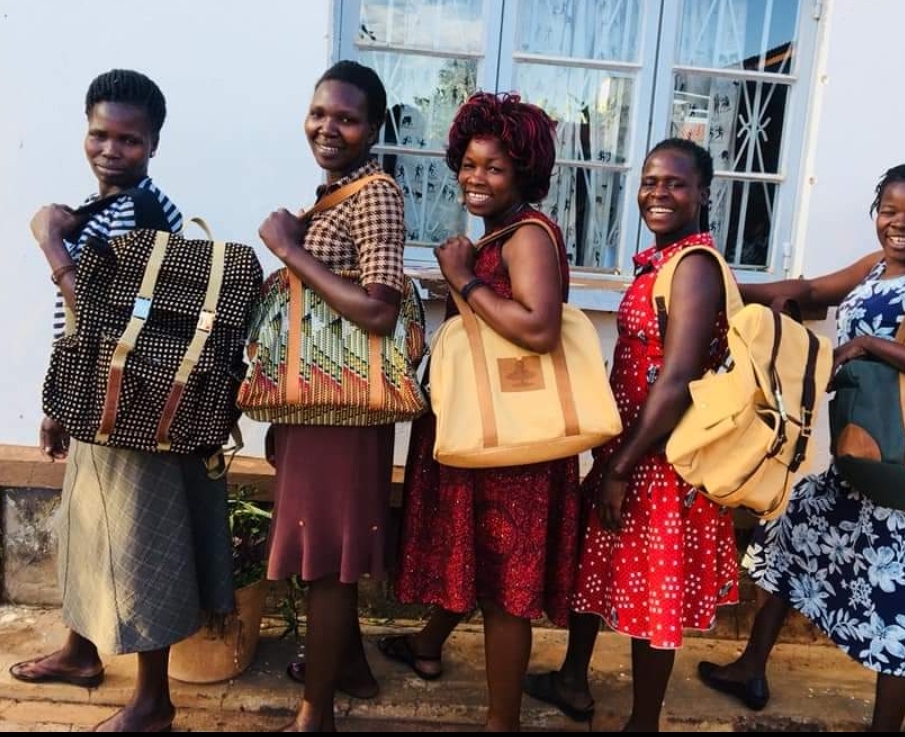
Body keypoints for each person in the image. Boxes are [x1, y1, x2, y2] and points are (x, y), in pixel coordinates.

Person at [696, 164, 905, 732]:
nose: (900, 223)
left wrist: (869, 345)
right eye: (889, 210)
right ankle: (751, 667)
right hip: (862, 460)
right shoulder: (875, 267)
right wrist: (715, 287)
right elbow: (806, 293)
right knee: (791, 530)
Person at [12, 69, 233, 733]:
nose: (110, 149)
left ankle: (153, 700)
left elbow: (113, 323)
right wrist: (62, 402)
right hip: (100, 399)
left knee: (141, 545)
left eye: (129, 140)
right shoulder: (102, 205)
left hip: (134, 408)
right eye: (99, 134)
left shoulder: (140, 213)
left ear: (153, 145)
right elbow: (87, 326)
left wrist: (52, 246)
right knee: (87, 529)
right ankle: (83, 652)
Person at [522, 137, 740, 732]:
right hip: (628, 448)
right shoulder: (664, 262)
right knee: (597, 562)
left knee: (654, 594)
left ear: (702, 194)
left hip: (662, 459)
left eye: (675, 183)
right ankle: (572, 679)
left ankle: (643, 722)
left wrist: (622, 467)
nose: (658, 193)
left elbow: (677, 380)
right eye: (650, 182)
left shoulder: (694, 268)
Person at [382, 91, 581, 732]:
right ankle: (426, 644)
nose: (476, 177)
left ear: (523, 172)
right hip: (486, 426)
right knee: (479, 558)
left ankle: (502, 722)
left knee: (505, 591)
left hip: (513, 440)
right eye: (469, 164)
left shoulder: (528, 236)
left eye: (494, 167)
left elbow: (539, 328)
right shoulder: (499, 232)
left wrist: (463, 279)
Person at [256, 60, 407, 732]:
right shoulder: (337, 192)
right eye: (319, 113)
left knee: (326, 563)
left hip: (344, 410)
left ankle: (315, 714)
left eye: (346, 118)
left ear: (373, 129)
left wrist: (289, 250)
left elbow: (379, 310)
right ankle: (349, 669)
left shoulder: (376, 194)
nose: (327, 127)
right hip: (317, 401)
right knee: (326, 550)